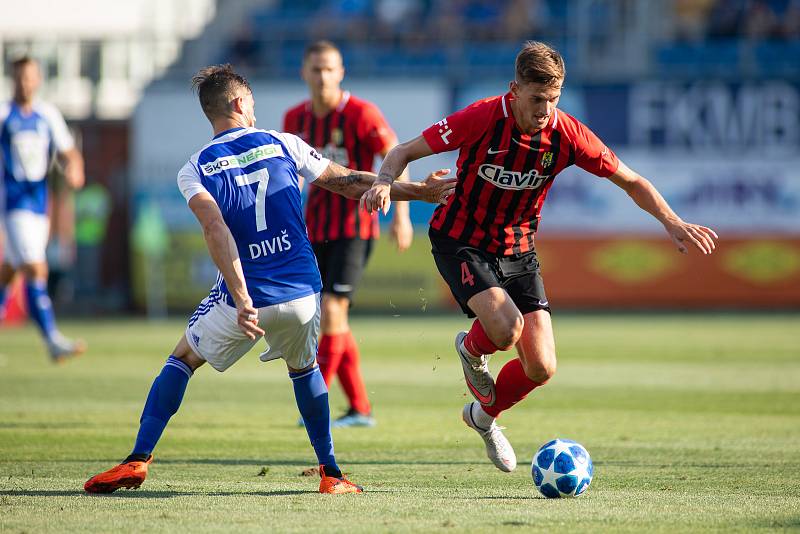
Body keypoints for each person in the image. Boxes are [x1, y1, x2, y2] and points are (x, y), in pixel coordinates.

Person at [83, 64, 453, 494]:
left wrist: (240, 297)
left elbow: (215, 228)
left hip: (250, 297)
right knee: (305, 368)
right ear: (240, 104)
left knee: (182, 359)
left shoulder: (195, 167)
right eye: (252, 103)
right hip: (302, 291)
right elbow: (351, 182)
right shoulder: (282, 143)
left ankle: (137, 459)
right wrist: (419, 191)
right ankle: (331, 473)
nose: (254, 110)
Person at [361, 41, 718, 472]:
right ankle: (473, 349)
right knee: (506, 330)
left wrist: (672, 221)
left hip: (519, 249)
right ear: (514, 90)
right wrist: (384, 181)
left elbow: (630, 180)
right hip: (461, 241)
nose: (545, 108)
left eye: (553, 98)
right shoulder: (480, 117)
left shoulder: (567, 134)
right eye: (536, 99)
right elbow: (403, 152)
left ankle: (483, 417)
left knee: (542, 367)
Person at [283, 41, 413, 428]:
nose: (322, 76)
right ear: (304, 73)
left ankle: (315, 406)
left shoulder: (360, 113)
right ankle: (360, 408)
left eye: (329, 69)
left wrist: (401, 215)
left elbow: (396, 157)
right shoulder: (295, 118)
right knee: (333, 319)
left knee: (334, 310)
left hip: (355, 228)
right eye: (315, 69)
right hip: (314, 229)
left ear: (341, 73)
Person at [0, 56, 86, 361]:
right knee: (36, 267)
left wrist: (74, 167)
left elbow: (68, 151)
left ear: (37, 80)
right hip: (12, 203)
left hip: (39, 205)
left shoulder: (46, 115)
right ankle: (52, 340)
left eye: (30, 77)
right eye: (20, 77)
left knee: (8, 271)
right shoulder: (4, 115)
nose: (25, 83)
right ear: (13, 79)